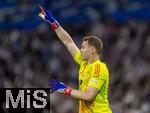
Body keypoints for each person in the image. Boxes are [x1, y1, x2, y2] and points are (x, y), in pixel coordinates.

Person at [38, 5, 112, 113]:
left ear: (92, 50)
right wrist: (54, 23)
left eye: (83, 48)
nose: (80, 50)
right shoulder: (84, 63)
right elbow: (68, 42)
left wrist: (65, 89)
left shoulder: (99, 68)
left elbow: (89, 96)